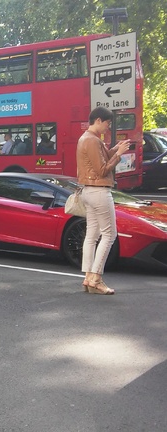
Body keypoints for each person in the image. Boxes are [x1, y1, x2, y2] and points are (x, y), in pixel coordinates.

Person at [77, 106, 131, 295]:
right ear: (98, 120)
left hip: (88, 191)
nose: (108, 128)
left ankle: (87, 277)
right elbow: (102, 170)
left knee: (92, 235)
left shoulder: (86, 138)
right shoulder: (92, 140)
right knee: (109, 235)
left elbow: (100, 159)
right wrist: (118, 155)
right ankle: (96, 278)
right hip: (99, 191)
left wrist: (117, 148)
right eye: (107, 123)